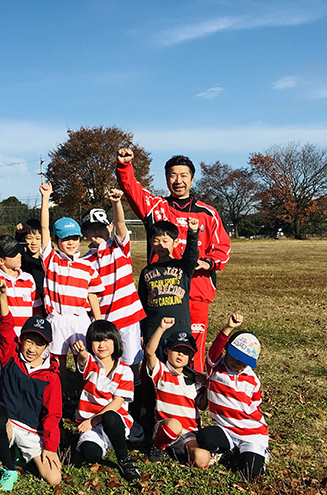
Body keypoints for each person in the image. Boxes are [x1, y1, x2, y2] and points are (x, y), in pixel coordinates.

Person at [116, 149, 231, 369]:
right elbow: (132, 189)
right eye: (173, 175)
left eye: (183, 175)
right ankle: (155, 389)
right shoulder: (156, 207)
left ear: (192, 179)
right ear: (167, 178)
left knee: (191, 350)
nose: (178, 181)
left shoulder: (208, 214)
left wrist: (208, 262)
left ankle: (191, 388)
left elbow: (222, 247)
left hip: (196, 291)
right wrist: (124, 166)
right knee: (157, 346)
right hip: (162, 293)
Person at [0, 279, 62, 490]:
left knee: (54, 478)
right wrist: (2, 296)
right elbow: (5, 327)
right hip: (7, 419)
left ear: (46, 347)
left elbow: (53, 414)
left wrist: (50, 447)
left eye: (39, 344)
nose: (32, 349)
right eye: (29, 341)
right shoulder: (11, 355)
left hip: (30, 429)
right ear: (21, 340)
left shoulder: (51, 376)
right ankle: (9, 468)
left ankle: (21, 453)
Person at [38, 183, 104, 387]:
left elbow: (92, 295)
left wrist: (98, 321)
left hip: (80, 319)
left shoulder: (87, 265)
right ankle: (59, 396)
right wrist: (46, 198)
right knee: (57, 363)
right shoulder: (51, 259)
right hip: (57, 319)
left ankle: (83, 394)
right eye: (65, 239)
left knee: (83, 359)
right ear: (56, 240)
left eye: (74, 238)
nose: (70, 242)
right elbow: (44, 228)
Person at [196, 313, 268, 481]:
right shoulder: (215, 367)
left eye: (244, 361)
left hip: (251, 434)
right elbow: (214, 349)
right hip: (225, 429)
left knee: (250, 473)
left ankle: (257, 455)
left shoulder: (252, 380)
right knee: (204, 437)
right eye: (235, 357)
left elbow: (255, 405)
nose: (238, 363)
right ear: (227, 350)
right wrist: (228, 328)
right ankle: (230, 450)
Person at [80, 189, 146, 372]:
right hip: (104, 320)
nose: (97, 232)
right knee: (106, 365)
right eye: (92, 228)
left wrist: (116, 203)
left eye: (101, 227)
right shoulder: (84, 261)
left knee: (131, 363)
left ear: (109, 227)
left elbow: (121, 223)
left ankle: (135, 390)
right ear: (85, 232)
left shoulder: (119, 246)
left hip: (128, 317)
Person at [72, 320, 140, 482]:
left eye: (106, 340)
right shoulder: (92, 364)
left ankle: (124, 460)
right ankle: (102, 443)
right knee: (90, 454)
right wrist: (82, 353)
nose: (101, 345)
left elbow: (117, 402)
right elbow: (84, 360)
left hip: (114, 420)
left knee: (110, 416)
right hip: (91, 423)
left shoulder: (125, 371)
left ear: (115, 341)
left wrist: (93, 420)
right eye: (96, 340)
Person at [0, 232, 42, 380]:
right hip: (2, 341)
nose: (19, 255)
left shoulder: (28, 278)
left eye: (19, 251)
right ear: (1, 260)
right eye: (13, 254)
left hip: (25, 339)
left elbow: (37, 310)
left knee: (24, 375)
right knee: (2, 378)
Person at [144, 317, 207, 464]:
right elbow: (149, 352)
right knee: (174, 425)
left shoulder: (196, 380)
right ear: (166, 350)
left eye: (186, 352)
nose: (180, 354)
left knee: (202, 458)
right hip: (166, 428)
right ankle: (158, 447)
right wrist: (161, 328)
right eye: (176, 350)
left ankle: (180, 453)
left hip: (189, 433)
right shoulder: (161, 372)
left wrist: (207, 385)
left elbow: (203, 406)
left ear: (191, 358)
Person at [137, 218, 200, 346]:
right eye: (156, 241)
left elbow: (191, 255)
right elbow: (141, 303)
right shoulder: (146, 271)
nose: (161, 245)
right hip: (153, 330)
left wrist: (193, 233)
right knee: (154, 359)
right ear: (150, 242)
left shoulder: (183, 266)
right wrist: (141, 332)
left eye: (165, 241)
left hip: (179, 329)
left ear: (175, 242)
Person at [15, 219, 45, 301]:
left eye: (38, 238)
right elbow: (16, 249)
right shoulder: (22, 259)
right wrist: (19, 234)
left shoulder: (48, 261)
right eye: (29, 238)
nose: (33, 242)